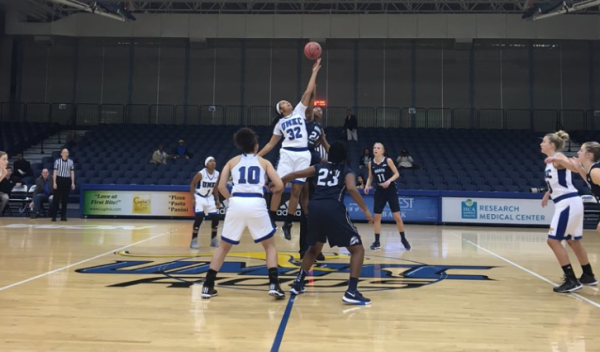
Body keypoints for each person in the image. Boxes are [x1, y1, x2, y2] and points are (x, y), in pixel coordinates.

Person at [276, 141, 374, 305]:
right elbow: (351, 188)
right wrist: (365, 210)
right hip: (333, 208)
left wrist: (279, 182)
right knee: (357, 250)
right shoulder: (346, 170)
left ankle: (298, 283)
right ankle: (351, 291)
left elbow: (295, 174)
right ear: (344, 157)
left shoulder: (318, 168)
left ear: (329, 156)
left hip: (314, 208)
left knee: (314, 248)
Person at [201, 127, 285, 300]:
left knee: (224, 247)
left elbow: (221, 186)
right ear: (256, 145)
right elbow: (280, 185)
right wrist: (270, 187)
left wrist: (232, 199)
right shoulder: (264, 162)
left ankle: (207, 285)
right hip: (256, 202)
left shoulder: (232, 162)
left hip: (237, 202)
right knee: (269, 246)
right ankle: (273, 284)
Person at [258, 58, 322, 241]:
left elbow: (308, 92)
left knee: (296, 191)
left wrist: (314, 71)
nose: (287, 102)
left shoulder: (299, 111)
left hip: (303, 154)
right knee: (278, 187)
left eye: (287, 101)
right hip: (287, 154)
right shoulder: (280, 123)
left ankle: (288, 223)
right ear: (280, 110)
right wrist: (256, 156)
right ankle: (271, 219)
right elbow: (271, 144)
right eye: (284, 103)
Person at [541, 131, 597, 293]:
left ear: (551, 145)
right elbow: (557, 182)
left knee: (552, 240)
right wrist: (547, 194)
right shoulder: (552, 161)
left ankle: (571, 279)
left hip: (568, 203)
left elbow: (574, 168)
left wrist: (558, 159)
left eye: (543, 142)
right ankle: (588, 275)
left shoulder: (558, 158)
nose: (541, 144)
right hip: (569, 202)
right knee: (573, 241)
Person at [297, 86, 329, 260]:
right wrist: (314, 79)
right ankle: (304, 248)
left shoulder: (319, 129)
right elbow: (309, 102)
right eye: (316, 107)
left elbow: (324, 146)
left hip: (316, 162)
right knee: (306, 211)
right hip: (305, 159)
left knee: (317, 211)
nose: (318, 109)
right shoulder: (307, 119)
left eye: (320, 109)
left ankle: (316, 248)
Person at [364, 142, 411, 251]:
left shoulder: (388, 160)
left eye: (378, 148)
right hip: (379, 190)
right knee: (377, 217)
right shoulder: (371, 163)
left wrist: (389, 181)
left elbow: (397, 174)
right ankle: (377, 242)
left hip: (390, 190)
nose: (376, 149)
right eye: (374, 147)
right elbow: (370, 177)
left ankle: (403, 239)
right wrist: (367, 185)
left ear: (382, 151)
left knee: (397, 217)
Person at [568, 141, 600, 234]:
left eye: (581, 150)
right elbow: (589, 181)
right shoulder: (591, 170)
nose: (578, 152)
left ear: (588, 155)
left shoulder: (595, 171)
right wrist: (579, 168)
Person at [189, 156, 221, 250]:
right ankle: (193, 240)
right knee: (199, 217)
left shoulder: (217, 174)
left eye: (214, 161)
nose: (213, 162)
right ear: (206, 164)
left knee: (216, 217)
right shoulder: (201, 173)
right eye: (211, 161)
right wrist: (192, 198)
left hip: (210, 198)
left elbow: (215, 187)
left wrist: (217, 199)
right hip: (199, 197)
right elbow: (192, 184)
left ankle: (213, 239)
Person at [50, 148, 75, 222]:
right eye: (64, 152)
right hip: (59, 179)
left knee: (65, 199)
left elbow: (72, 172)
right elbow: (55, 172)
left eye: (67, 152)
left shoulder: (71, 162)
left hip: (67, 180)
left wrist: (73, 182)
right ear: (61, 153)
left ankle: (63, 216)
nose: (66, 154)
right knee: (56, 199)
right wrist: (54, 182)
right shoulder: (57, 161)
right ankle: (54, 216)